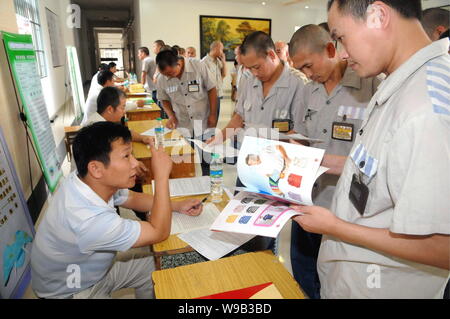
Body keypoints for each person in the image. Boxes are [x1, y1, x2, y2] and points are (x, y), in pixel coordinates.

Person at [290, 0, 450, 299]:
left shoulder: (426, 107)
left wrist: (336, 226)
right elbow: (379, 167)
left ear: (378, 15)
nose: (342, 53)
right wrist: (320, 160)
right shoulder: (400, 85)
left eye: (340, 37)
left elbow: (442, 246)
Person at [31, 122, 203, 299]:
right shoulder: (88, 220)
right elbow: (159, 232)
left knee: (154, 267)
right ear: (96, 168)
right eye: (126, 156)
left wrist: (177, 206)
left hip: (93, 271)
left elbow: (134, 199)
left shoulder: (87, 179)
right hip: (72, 290)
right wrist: (161, 177)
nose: (135, 163)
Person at [288, 24, 383, 299]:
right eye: (300, 69)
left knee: (336, 282)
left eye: (308, 65)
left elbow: (377, 159)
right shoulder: (309, 90)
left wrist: (320, 160)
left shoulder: (371, 85)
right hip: (306, 200)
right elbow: (302, 134)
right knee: (303, 274)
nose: (307, 74)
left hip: (345, 211)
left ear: (331, 49)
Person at [156, 47, 218, 138]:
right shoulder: (161, 78)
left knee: (205, 149)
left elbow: (211, 88)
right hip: (182, 123)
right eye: (165, 74)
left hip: (202, 120)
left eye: (170, 73)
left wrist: (213, 114)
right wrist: (171, 116)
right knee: (186, 151)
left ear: (178, 63)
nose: (168, 77)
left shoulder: (198, 66)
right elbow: (163, 99)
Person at [201, 41, 227, 120]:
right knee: (209, 120)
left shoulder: (218, 61)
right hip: (208, 98)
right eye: (221, 49)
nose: (222, 52)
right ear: (216, 48)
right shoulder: (204, 62)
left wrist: (224, 61)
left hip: (218, 95)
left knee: (215, 120)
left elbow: (224, 74)